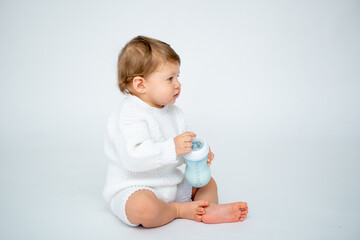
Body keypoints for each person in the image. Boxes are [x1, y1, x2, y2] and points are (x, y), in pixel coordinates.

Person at [103, 36, 248, 228]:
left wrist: (195, 155)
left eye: (178, 76)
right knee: (144, 209)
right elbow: (133, 158)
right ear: (140, 85)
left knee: (207, 183)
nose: (177, 84)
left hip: (170, 186)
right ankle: (178, 210)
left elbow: (177, 154)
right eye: (170, 78)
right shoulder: (129, 115)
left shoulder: (174, 113)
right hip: (135, 188)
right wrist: (173, 147)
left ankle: (208, 208)